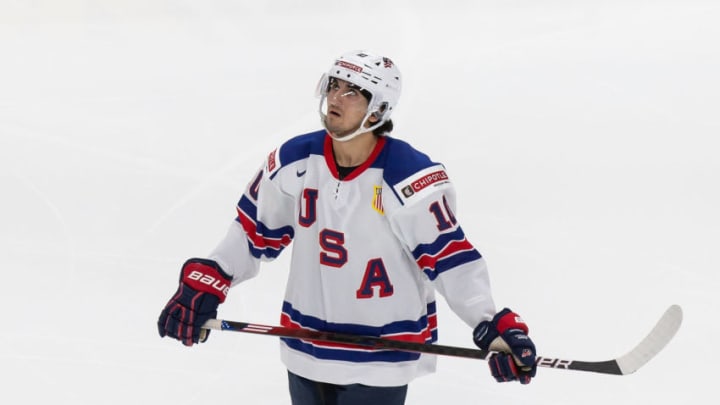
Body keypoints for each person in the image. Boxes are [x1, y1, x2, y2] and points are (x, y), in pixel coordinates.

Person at [158, 50, 538, 404]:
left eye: (353, 91)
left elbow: (450, 260)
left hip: (381, 358)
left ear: (378, 110)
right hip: (305, 348)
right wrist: (212, 276)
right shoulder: (294, 161)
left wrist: (490, 323)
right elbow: (253, 231)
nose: (336, 98)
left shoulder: (409, 176)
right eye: (334, 85)